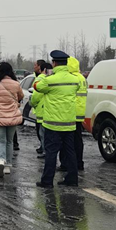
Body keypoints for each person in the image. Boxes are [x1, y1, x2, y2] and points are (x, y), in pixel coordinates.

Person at [34, 50, 80, 187]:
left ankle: (47, 181)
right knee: (70, 152)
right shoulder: (75, 80)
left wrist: (43, 76)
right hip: (69, 123)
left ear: (54, 63)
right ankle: (72, 179)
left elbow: (37, 87)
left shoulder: (49, 80)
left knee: (51, 153)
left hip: (52, 124)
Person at [0, 62, 24, 178]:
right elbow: (21, 96)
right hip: (12, 116)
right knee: (10, 141)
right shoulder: (15, 84)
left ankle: (1, 160)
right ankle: (7, 165)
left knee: (0, 141)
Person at [68, 57, 88, 171]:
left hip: (71, 112)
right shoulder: (81, 78)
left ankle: (71, 164)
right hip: (80, 112)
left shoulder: (72, 78)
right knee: (78, 139)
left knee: (70, 141)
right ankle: (79, 162)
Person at [31, 61, 52, 159]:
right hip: (50, 110)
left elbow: (36, 95)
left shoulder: (40, 79)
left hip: (41, 109)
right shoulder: (52, 79)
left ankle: (45, 151)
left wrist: (32, 103)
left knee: (42, 133)